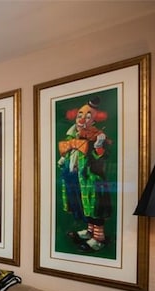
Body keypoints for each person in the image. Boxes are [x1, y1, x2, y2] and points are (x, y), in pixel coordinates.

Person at [58, 96, 112, 252]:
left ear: (94, 120)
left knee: (95, 207)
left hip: (92, 178)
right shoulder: (72, 135)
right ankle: (89, 231)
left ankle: (98, 238)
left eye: (88, 117)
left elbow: (103, 157)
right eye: (80, 115)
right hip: (76, 178)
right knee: (84, 205)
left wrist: (98, 147)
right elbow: (68, 151)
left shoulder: (97, 136)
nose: (83, 119)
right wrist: (64, 158)